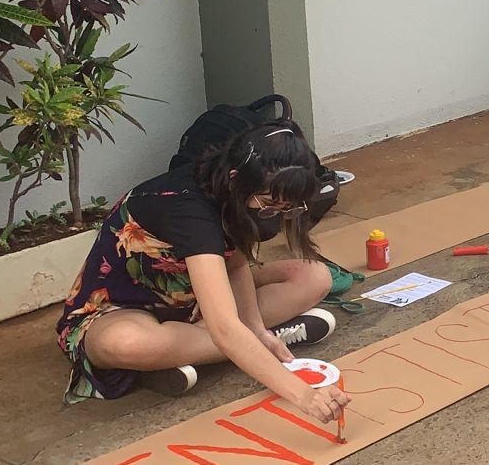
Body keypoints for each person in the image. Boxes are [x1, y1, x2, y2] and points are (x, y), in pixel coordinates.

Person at [56, 121, 350, 425]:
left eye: (286, 209)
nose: (273, 216)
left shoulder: (230, 187)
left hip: (196, 300)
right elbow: (224, 328)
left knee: (314, 276)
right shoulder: (189, 210)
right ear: (237, 179)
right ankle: (240, 350)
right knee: (125, 343)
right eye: (269, 206)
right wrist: (304, 395)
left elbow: (234, 263)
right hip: (123, 308)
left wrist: (257, 328)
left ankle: (200, 353)